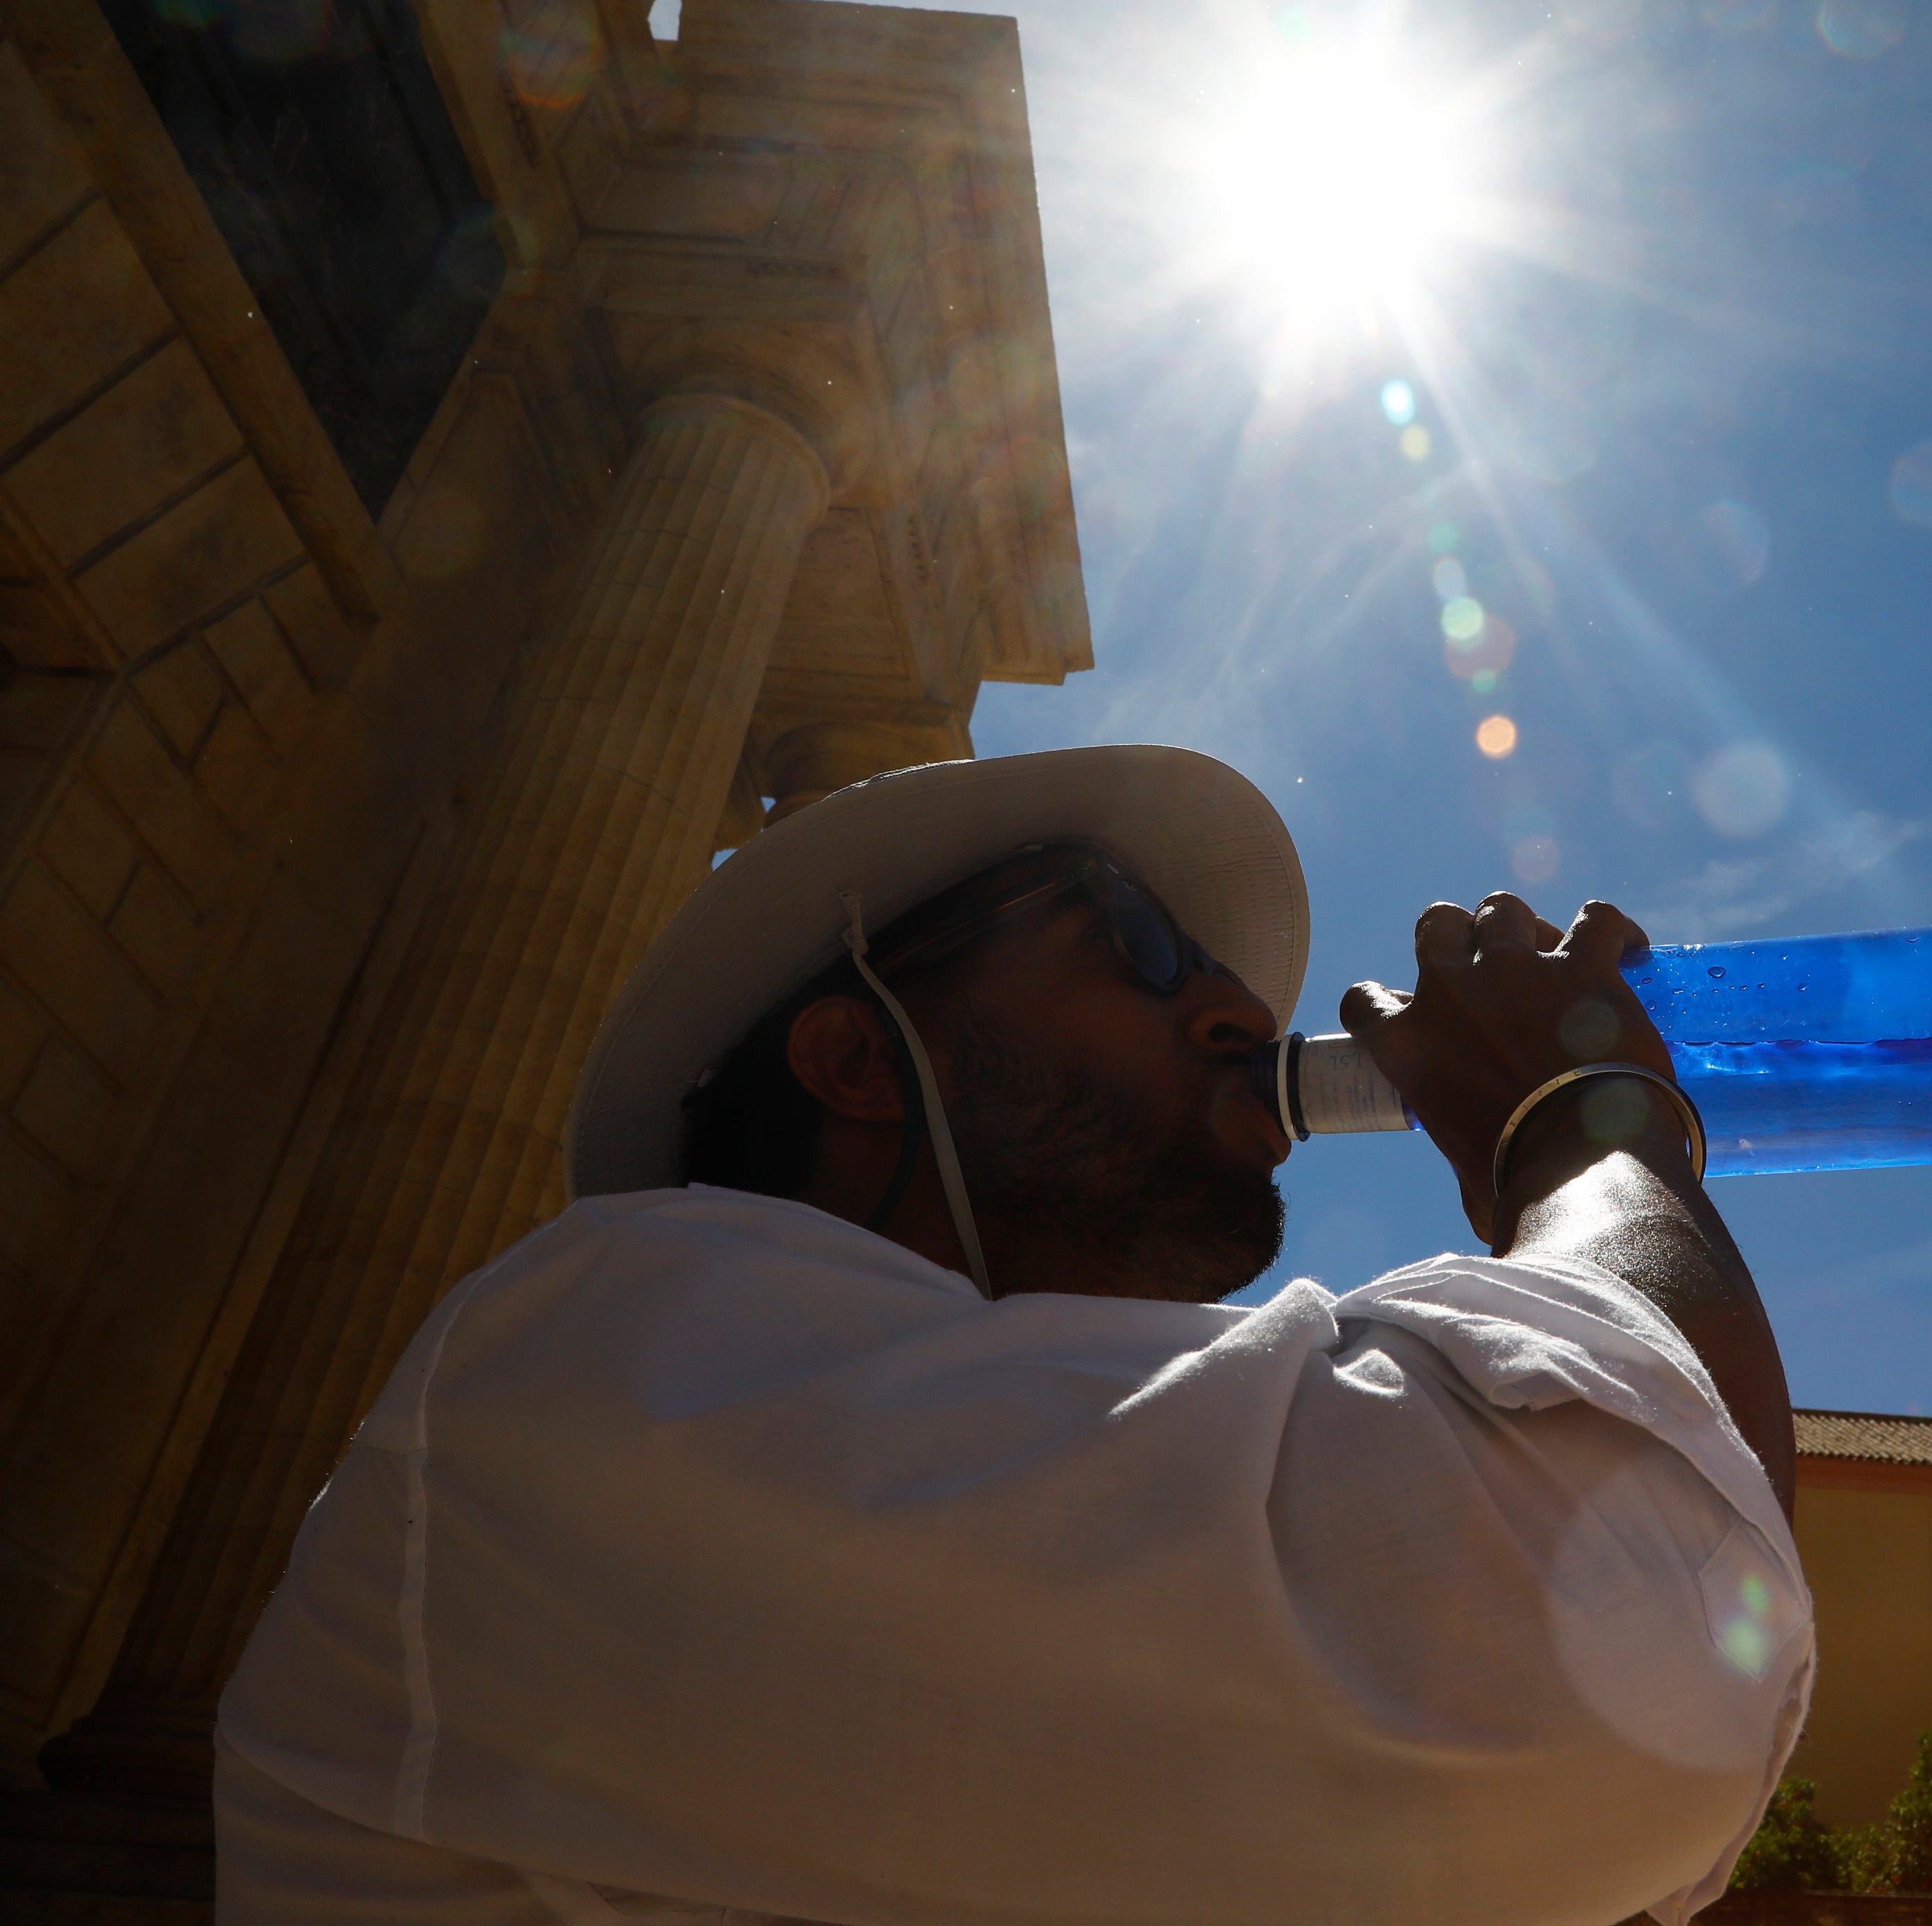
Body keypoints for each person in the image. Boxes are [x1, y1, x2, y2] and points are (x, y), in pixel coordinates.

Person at [213, 746, 1810, 1925]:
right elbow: (1621, 1640)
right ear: (856, 1059)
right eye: (1136, 939)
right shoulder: (601, 1351)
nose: (1246, 1016)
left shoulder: (1049, 1556)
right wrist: (1589, 1126)